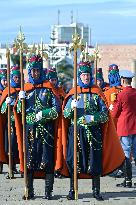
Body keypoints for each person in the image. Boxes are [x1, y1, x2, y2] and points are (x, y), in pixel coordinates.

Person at [61, 61, 125, 201]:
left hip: (93, 133)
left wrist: (92, 118)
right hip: (76, 132)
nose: (86, 78)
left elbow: (104, 115)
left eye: (88, 75)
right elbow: (65, 116)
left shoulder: (97, 93)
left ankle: (96, 190)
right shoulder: (73, 93)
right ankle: (73, 189)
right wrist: (70, 107)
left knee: (94, 160)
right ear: (79, 76)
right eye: (83, 75)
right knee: (74, 160)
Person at [17, 54, 61, 200]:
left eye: (38, 70)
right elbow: (18, 112)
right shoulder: (26, 88)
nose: (35, 73)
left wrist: (43, 114)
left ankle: (48, 192)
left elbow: (57, 110)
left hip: (46, 131)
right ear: (30, 71)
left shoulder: (49, 88)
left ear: (41, 71)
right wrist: (19, 101)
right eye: (33, 70)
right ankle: (29, 190)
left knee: (47, 159)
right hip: (29, 130)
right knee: (30, 160)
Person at [111, 70, 136, 188]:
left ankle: (128, 180)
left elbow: (115, 114)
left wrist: (112, 106)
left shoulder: (121, 95)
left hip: (125, 127)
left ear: (122, 80)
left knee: (126, 154)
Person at [0, 65, 21, 178]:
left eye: (18, 77)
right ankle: (11, 169)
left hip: (21, 123)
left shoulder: (24, 89)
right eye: (15, 77)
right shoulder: (8, 91)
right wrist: (5, 104)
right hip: (10, 123)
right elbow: (2, 111)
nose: (17, 79)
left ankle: (22, 168)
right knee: (10, 147)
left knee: (21, 146)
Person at [46, 67, 66, 178]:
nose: (52, 82)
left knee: (59, 146)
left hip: (59, 123)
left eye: (54, 79)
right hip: (48, 123)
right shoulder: (46, 90)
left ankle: (58, 168)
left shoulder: (60, 90)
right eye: (50, 79)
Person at [0, 68, 7, 173]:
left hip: (6, 121)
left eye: (7, 80)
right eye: (3, 80)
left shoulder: (7, 91)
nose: (5, 82)